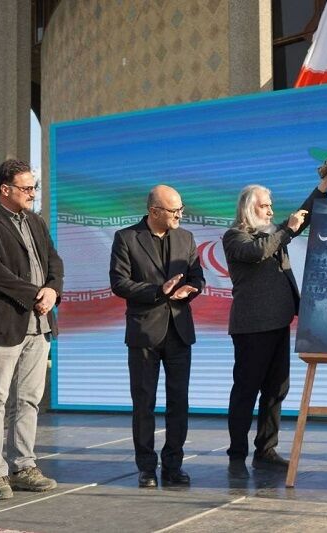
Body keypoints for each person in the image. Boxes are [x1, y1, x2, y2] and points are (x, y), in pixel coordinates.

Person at [223, 165, 327, 479]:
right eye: (265, 206)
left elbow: (302, 217)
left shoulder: (273, 234)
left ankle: (266, 450)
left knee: (277, 388)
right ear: (250, 209)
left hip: (278, 323)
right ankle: (236, 453)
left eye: (271, 206)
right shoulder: (235, 236)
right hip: (252, 327)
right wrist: (287, 230)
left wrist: (322, 189)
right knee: (247, 389)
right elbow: (257, 252)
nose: (271, 211)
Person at [0, 159, 63, 500]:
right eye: (27, 188)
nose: (33, 194)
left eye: (34, 187)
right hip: (3, 323)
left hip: (39, 324)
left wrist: (52, 290)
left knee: (28, 400)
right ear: (5, 189)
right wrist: (36, 294)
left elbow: (54, 261)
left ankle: (23, 467)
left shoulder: (35, 221)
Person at [109, 185, 204, 488]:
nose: (180, 215)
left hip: (179, 331)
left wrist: (191, 289)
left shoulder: (186, 238)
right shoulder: (126, 238)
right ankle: (146, 467)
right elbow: (119, 282)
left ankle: (174, 465)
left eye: (181, 208)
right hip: (144, 333)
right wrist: (157, 290)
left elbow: (197, 276)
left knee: (179, 402)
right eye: (174, 210)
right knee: (144, 403)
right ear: (154, 211)